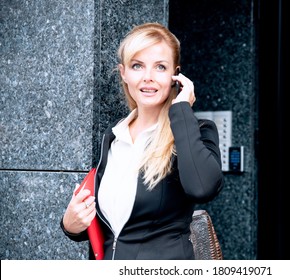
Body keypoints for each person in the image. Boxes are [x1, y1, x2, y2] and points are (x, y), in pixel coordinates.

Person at [60, 22, 224, 260]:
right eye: (137, 66)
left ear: (175, 75)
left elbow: (202, 187)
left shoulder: (195, 131)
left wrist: (182, 111)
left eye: (160, 67)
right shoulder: (114, 136)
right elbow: (117, 223)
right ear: (124, 73)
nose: (148, 77)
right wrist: (71, 225)